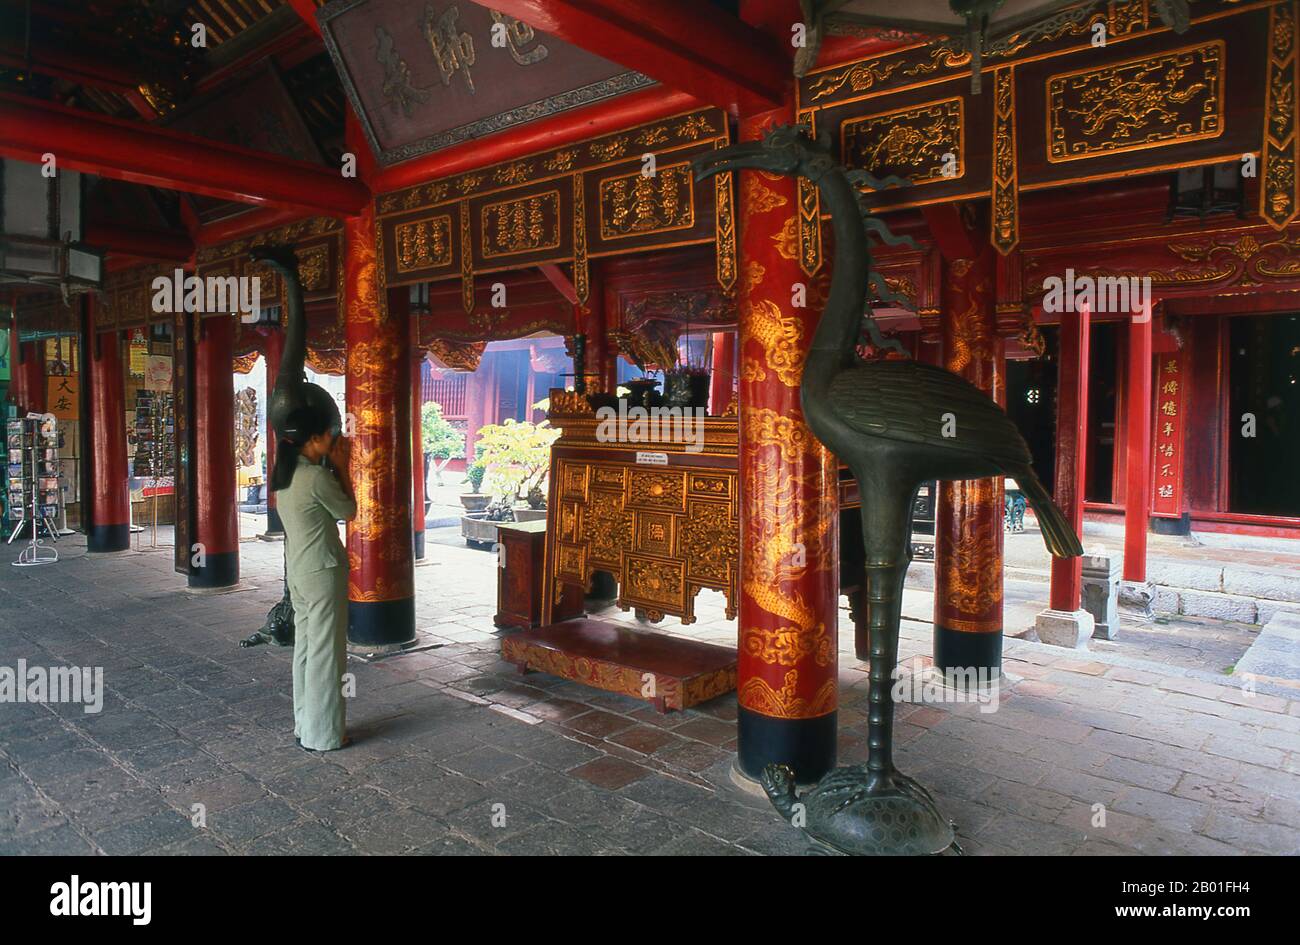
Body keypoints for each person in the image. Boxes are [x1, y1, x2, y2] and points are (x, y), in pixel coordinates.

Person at [270, 405, 355, 751]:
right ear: (316, 438)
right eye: (329, 437)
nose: (333, 442)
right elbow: (348, 510)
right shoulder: (317, 477)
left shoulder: (286, 474)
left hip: (300, 572)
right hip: (322, 570)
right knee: (327, 653)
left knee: (305, 650)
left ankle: (304, 724)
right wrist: (341, 466)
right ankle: (324, 735)